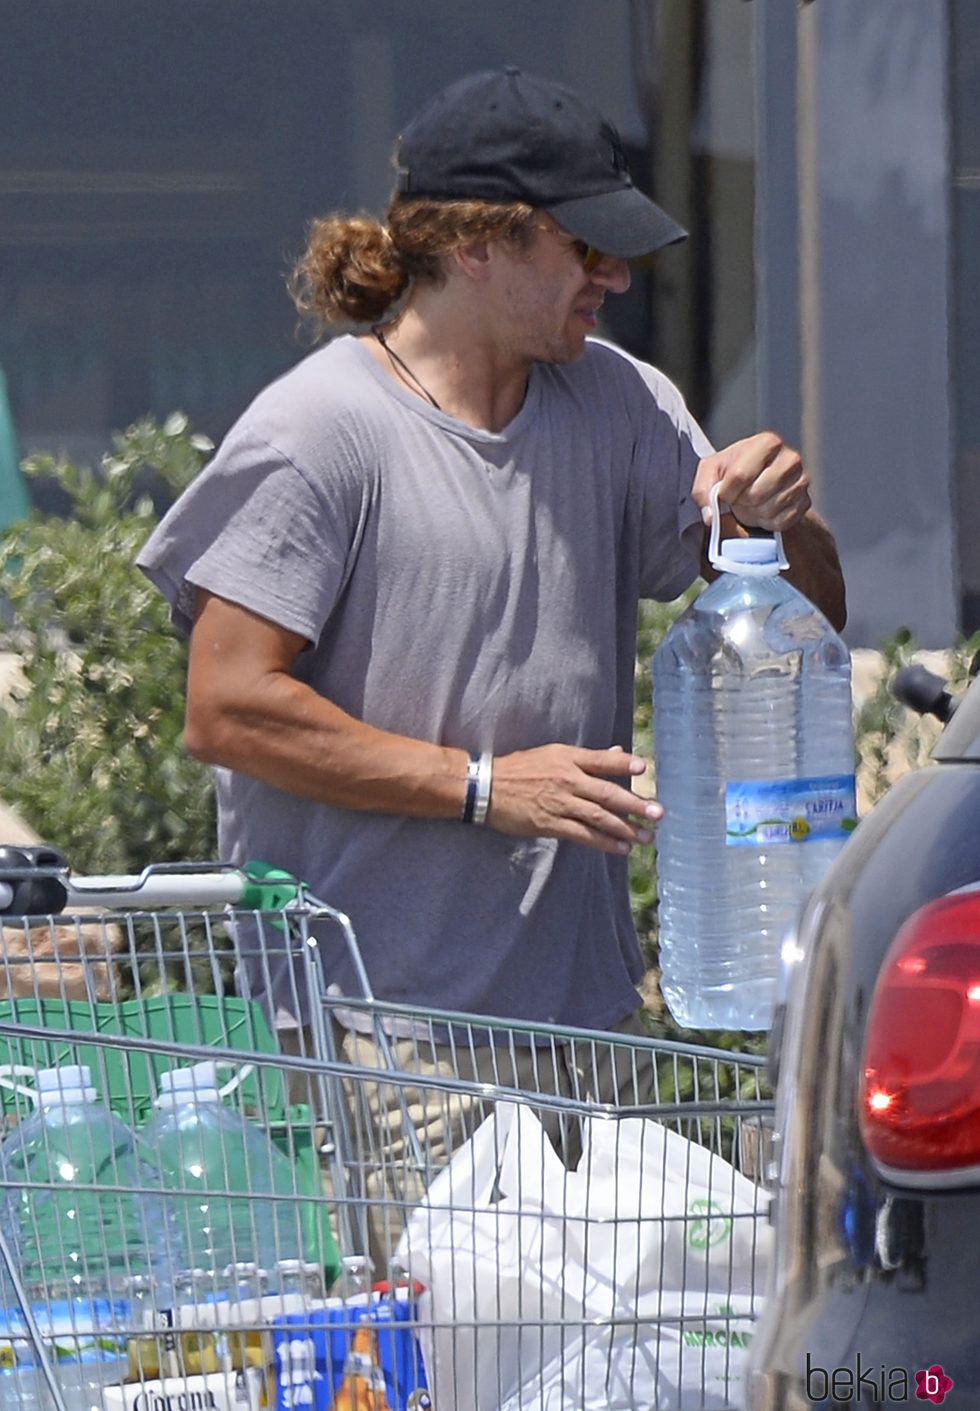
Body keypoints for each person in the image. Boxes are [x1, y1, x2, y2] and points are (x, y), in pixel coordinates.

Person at [137, 67, 845, 1256]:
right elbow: (227, 707)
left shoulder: (618, 402)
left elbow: (797, 626)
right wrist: (481, 786)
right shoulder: (318, 433)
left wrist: (789, 516)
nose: (613, 277)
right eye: (584, 246)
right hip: (384, 1038)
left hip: (584, 1026)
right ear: (474, 243)